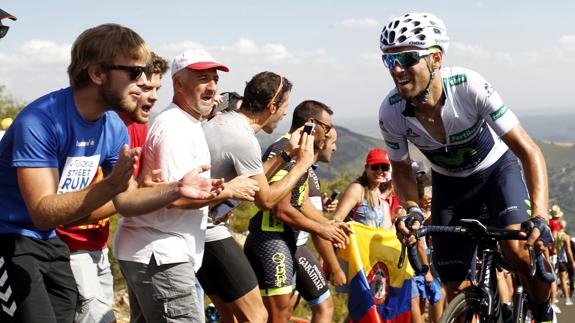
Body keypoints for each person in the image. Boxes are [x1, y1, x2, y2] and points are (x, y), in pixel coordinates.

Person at [0, 24, 224, 323]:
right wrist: (111, 186)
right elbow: (42, 211)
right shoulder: (40, 121)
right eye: (134, 73)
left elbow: (127, 200)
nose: (143, 82)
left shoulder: (113, 125)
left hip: (48, 240)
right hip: (10, 238)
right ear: (98, 74)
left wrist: (176, 188)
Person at [378, 12, 554, 322]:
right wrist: (411, 208)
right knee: (454, 290)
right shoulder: (391, 111)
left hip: (497, 172)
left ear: (435, 58)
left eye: (406, 58)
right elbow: (402, 169)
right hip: (451, 186)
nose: (397, 69)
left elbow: (529, 151)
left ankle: (543, 311)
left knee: (517, 252)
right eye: (389, 60)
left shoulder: (469, 86)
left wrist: (539, 215)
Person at [114, 48, 259, 323]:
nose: (212, 87)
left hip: (154, 251)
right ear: (178, 83)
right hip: (161, 254)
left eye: (214, 79)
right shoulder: (175, 128)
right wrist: (229, 190)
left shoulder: (187, 123)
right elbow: (174, 196)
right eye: (202, 79)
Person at [202, 73, 348, 322]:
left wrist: (287, 157)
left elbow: (255, 184)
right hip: (211, 231)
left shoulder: (227, 123)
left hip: (196, 228)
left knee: (231, 316)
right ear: (272, 106)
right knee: (258, 316)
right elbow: (267, 201)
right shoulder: (244, 138)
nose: (283, 115)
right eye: (284, 107)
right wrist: (301, 164)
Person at [54, 52, 169, 323]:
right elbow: (71, 210)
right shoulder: (101, 127)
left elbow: (127, 193)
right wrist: (151, 192)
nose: (152, 97)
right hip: (70, 248)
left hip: (100, 245)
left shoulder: (138, 126)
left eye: (156, 89)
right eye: (144, 88)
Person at [246, 100, 344, 323]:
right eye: (326, 128)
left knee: (284, 312)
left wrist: (327, 224)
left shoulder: (302, 152)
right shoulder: (286, 150)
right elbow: (281, 208)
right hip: (270, 238)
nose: (328, 134)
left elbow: (299, 201)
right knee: (278, 315)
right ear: (311, 123)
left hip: (283, 239)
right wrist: (320, 228)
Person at [556, 219, 574, 306]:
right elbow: (568, 251)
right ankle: (567, 299)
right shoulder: (565, 236)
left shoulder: (555, 235)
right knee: (563, 280)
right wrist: (572, 261)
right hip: (563, 260)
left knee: (558, 279)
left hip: (555, 258)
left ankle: (555, 298)